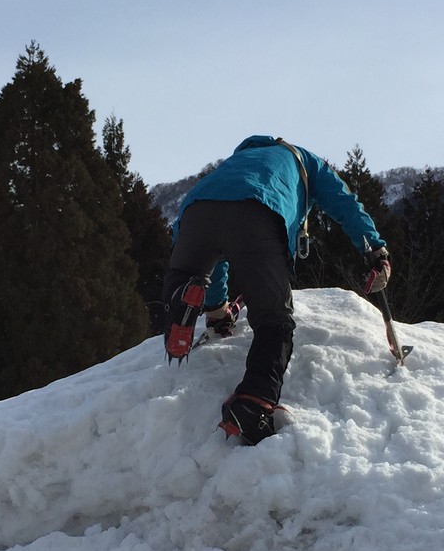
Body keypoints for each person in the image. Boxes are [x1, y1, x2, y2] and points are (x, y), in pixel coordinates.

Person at [164, 136, 390, 445]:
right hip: (258, 209)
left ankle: (179, 300)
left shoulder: (229, 166)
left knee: (189, 277)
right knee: (275, 321)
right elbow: (344, 202)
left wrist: (217, 311)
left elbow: (216, 240)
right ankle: (254, 401)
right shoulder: (303, 160)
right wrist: (375, 249)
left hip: (194, 211)